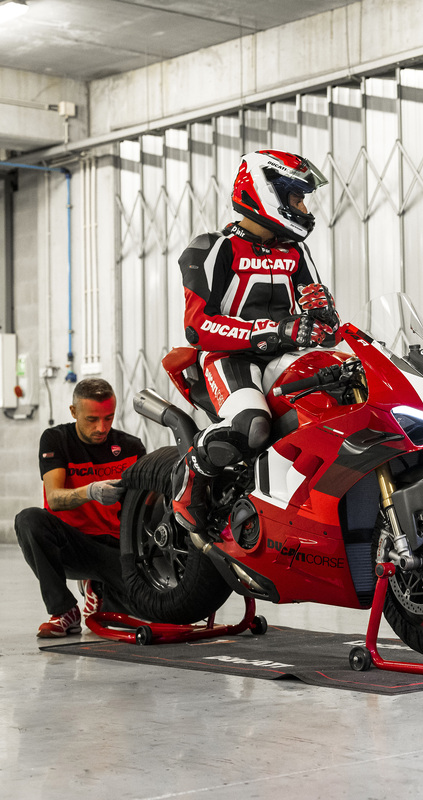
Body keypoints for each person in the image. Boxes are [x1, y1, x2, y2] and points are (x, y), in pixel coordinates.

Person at [172, 150, 339, 533]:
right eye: (296, 197)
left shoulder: (295, 250)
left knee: (334, 405)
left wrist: (325, 319)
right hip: (228, 358)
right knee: (253, 427)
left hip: (285, 356)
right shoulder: (214, 247)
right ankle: (189, 484)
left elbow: (318, 319)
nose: (303, 207)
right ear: (267, 193)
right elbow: (197, 327)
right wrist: (272, 331)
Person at [15, 378, 146, 637]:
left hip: (121, 550)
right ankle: (64, 611)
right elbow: (54, 497)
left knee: (145, 614)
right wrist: (90, 491)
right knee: (29, 520)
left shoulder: (131, 447)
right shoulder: (56, 440)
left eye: (108, 418)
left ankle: (98, 589)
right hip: (75, 545)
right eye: (92, 419)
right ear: (74, 412)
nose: (102, 427)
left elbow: (147, 505)